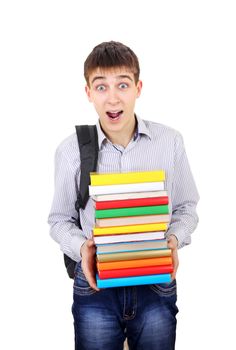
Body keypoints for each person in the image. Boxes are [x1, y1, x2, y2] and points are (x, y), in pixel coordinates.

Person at [48, 41, 199, 350]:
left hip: (154, 282)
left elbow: (186, 207)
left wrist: (173, 239)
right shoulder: (70, 150)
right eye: (101, 86)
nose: (113, 97)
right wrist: (82, 249)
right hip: (96, 285)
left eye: (123, 84)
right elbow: (59, 220)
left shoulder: (169, 141)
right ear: (88, 92)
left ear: (138, 87)